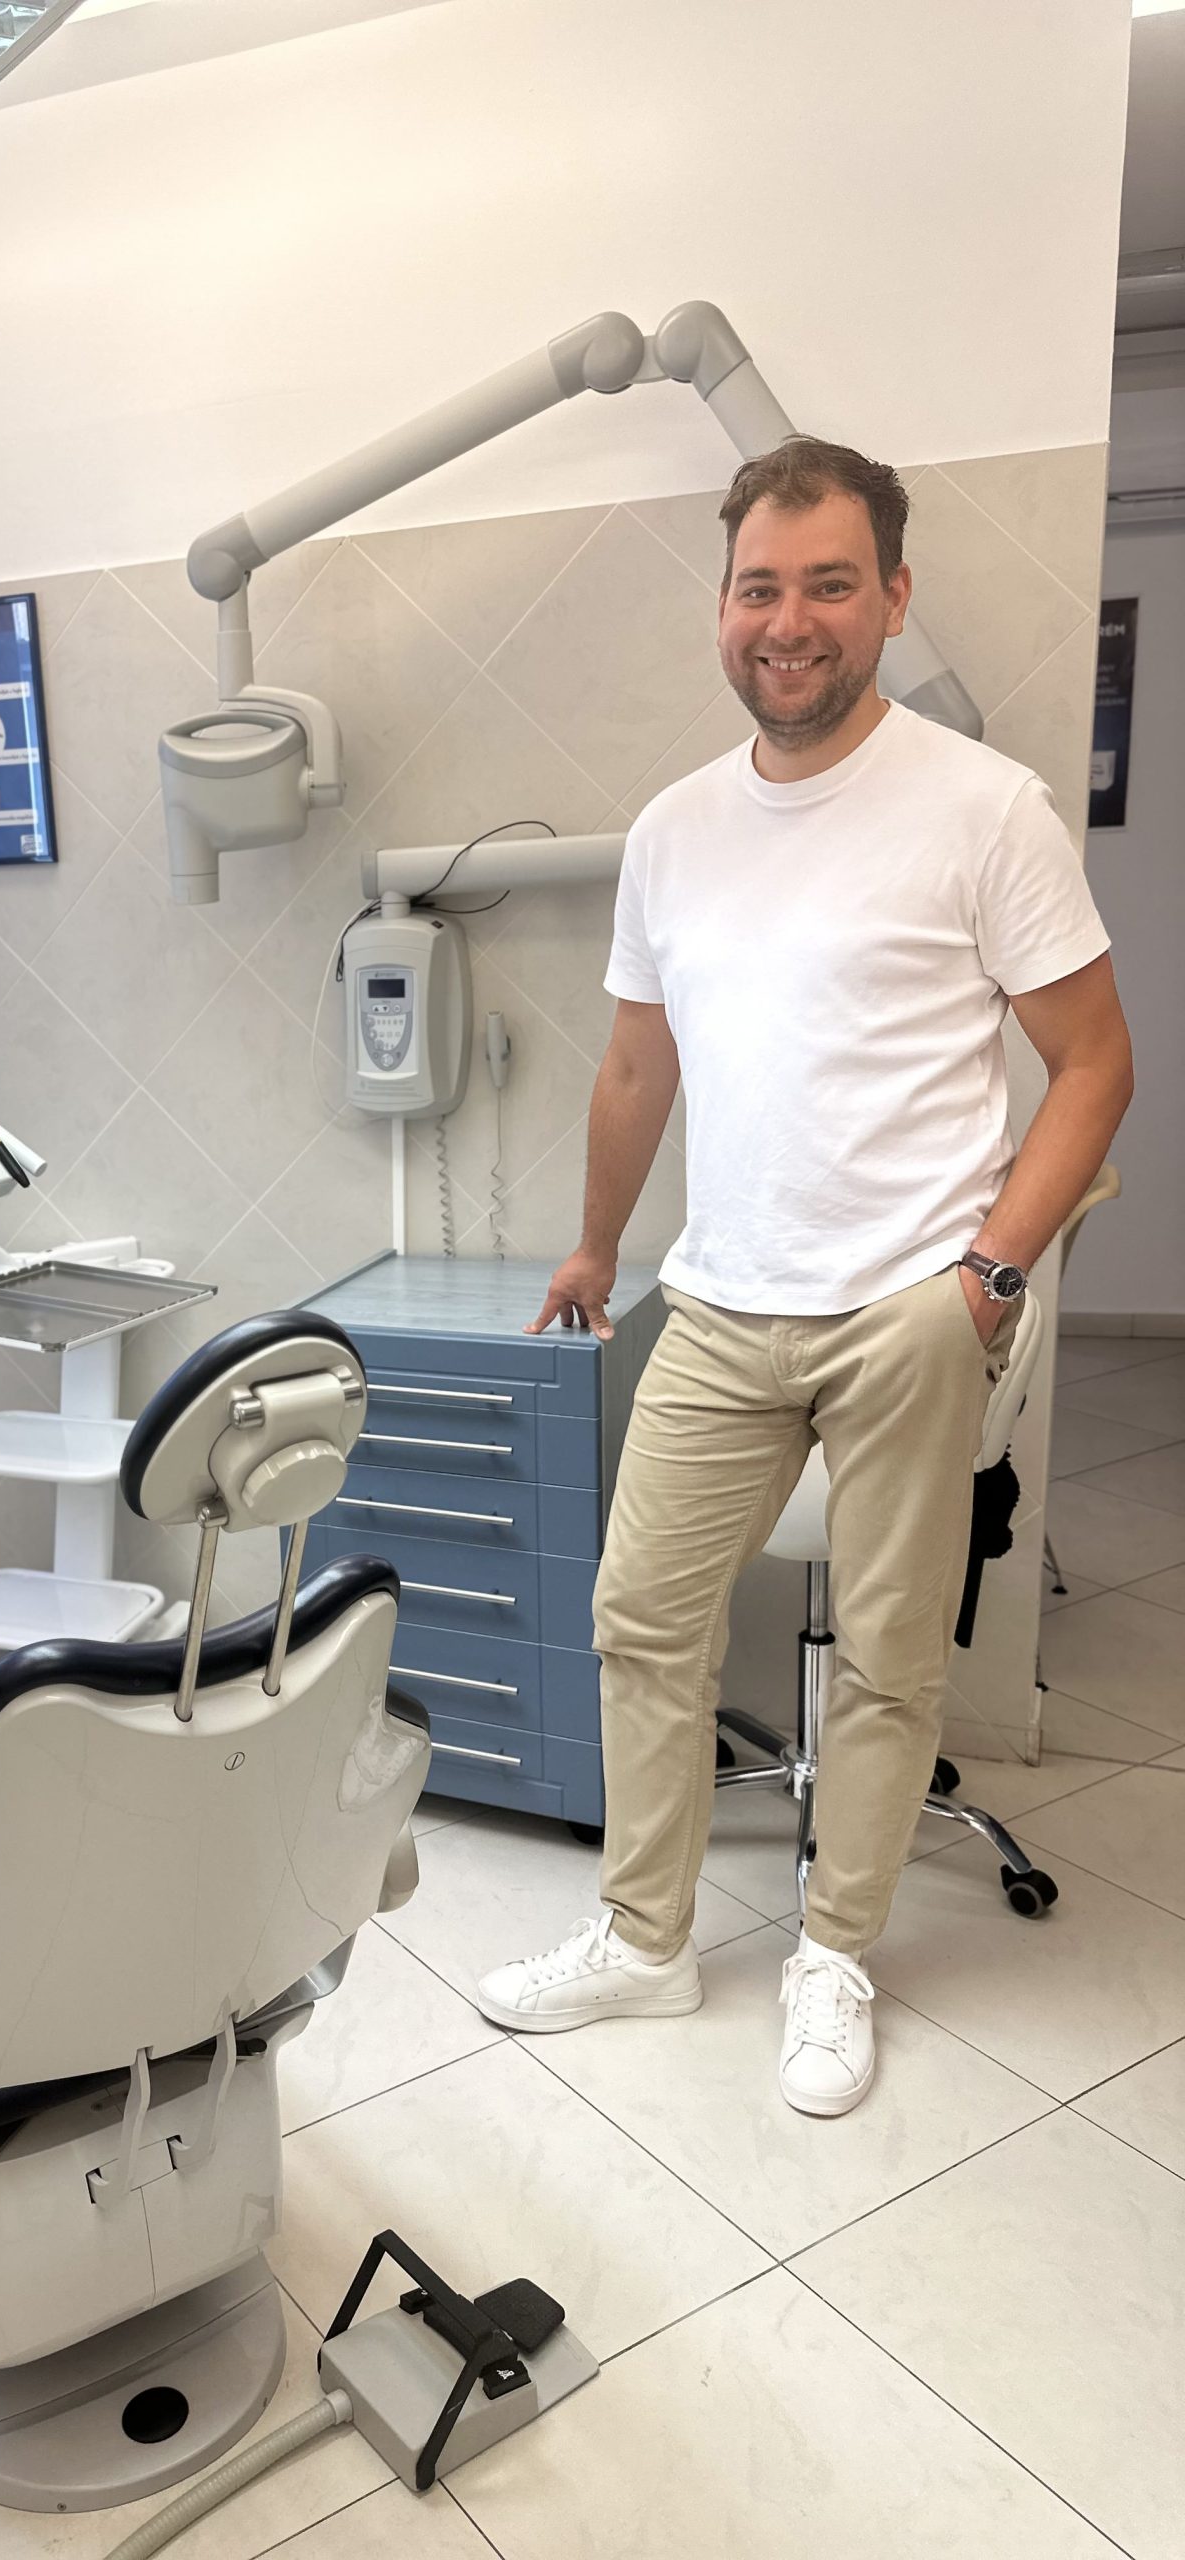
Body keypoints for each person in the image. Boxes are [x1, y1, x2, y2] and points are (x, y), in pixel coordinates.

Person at [476, 437, 1133, 2117]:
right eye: (760, 588)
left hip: (912, 1303)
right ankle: (645, 1939)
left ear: (892, 598)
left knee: (892, 1653)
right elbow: (639, 1066)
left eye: (829, 584)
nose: (790, 621)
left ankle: (833, 1955)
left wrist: (986, 1279)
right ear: (723, 608)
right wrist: (598, 1241)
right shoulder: (675, 831)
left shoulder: (983, 808)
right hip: (721, 1301)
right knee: (641, 1616)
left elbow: (1095, 1065)